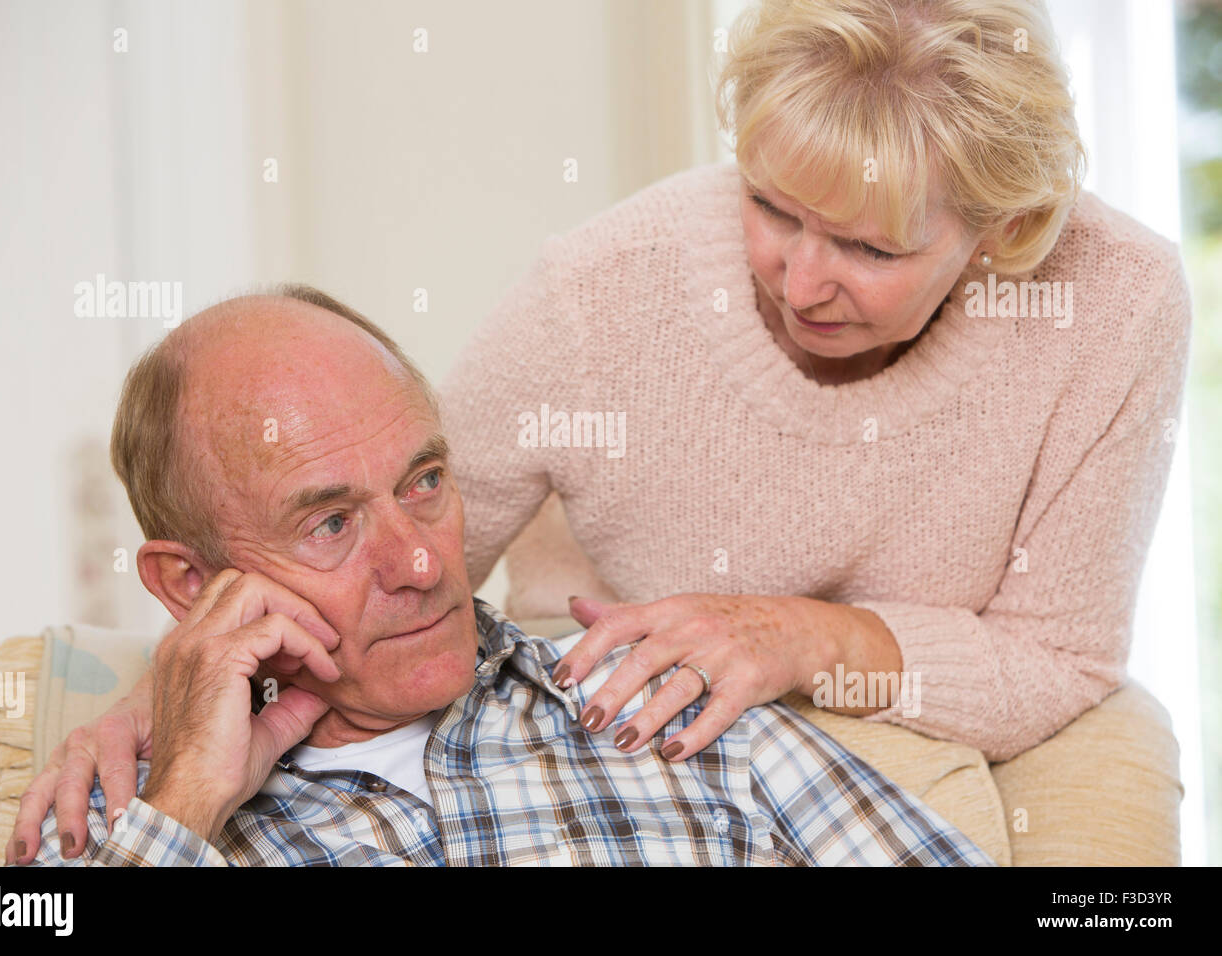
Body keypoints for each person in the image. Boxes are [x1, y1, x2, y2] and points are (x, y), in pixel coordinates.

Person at [434, 0, 1192, 764]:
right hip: (654, 718)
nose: (798, 288)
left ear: (1007, 227)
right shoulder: (599, 288)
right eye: (769, 205)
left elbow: (1059, 659)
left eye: (868, 249)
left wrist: (804, 639)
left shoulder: (1117, 296)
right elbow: (396, 564)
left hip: (960, 725)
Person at [19, 289, 991, 866]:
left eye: (426, 481)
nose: (422, 559)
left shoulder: (666, 704)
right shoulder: (112, 823)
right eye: (330, 521)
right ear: (191, 584)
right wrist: (190, 792)